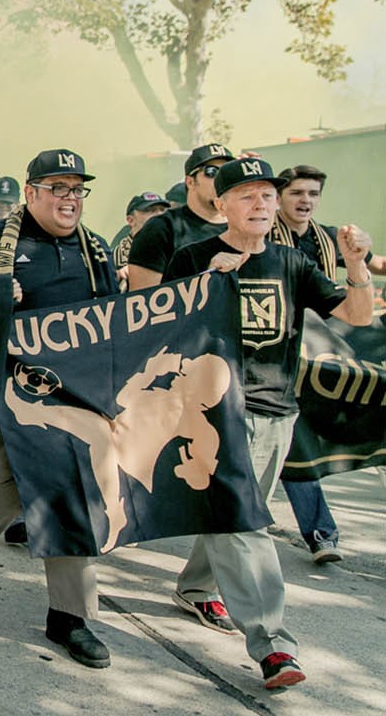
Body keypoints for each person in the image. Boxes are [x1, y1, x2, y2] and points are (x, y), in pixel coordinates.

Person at [161, 157, 374, 690]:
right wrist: (209, 283)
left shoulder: (291, 262)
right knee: (245, 523)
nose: (262, 205)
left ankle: (194, 587)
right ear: (223, 204)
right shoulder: (193, 256)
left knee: (233, 515)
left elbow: (356, 316)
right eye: (248, 196)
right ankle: (274, 644)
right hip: (216, 414)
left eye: (268, 196)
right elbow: (158, 327)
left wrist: (356, 266)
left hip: (278, 411)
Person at [0, 149, 118, 670]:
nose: (69, 199)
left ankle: (70, 618)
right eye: (58, 188)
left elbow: (115, 320)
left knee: (71, 505)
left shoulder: (96, 249)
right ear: (31, 193)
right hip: (3, 400)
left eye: (77, 190)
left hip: (71, 403)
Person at [268, 164, 385, 564]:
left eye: (312, 195)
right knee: (286, 444)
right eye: (296, 193)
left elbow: (370, 265)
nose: (305, 201)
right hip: (270, 352)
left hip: (314, 351)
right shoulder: (261, 234)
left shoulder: (330, 238)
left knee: (301, 441)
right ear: (279, 196)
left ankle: (320, 533)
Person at [126, 143, 233, 289]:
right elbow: (142, 302)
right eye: (211, 172)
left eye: (228, 172)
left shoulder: (243, 225)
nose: (222, 179)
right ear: (190, 182)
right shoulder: (160, 229)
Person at [113, 191, 169, 291]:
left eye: (162, 210)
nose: (159, 214)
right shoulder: (119, 258)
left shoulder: (176, 243)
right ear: (130, 220)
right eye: (150, 210)